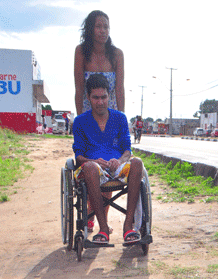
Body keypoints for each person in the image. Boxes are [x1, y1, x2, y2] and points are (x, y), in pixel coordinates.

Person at [72, 74, 142, 245]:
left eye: (104, 97)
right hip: (92, 169)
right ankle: (103, 229)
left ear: (108, 97)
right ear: (89, 98)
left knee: (137, 163)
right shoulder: (80, 121)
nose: (100, 101)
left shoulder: (119, 118)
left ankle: (128, 227)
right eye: (95, 98)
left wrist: (119, 160)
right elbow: (78, 156)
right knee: (89, 167)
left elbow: (127, 149)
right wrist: (94, 161)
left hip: (117, 167)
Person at [74, 10, 125, 232]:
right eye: (98, 26)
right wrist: (80, 122)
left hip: (110, 113)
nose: (103, 31)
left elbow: (120, 89)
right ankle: (91, 216)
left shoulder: (116, 54)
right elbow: (78, 88)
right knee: (92, 166)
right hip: (88, 112)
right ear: (90, 29)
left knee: (110, 167)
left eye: (106, 26)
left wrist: (120, 118)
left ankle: (99, 216)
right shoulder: (81, 53)